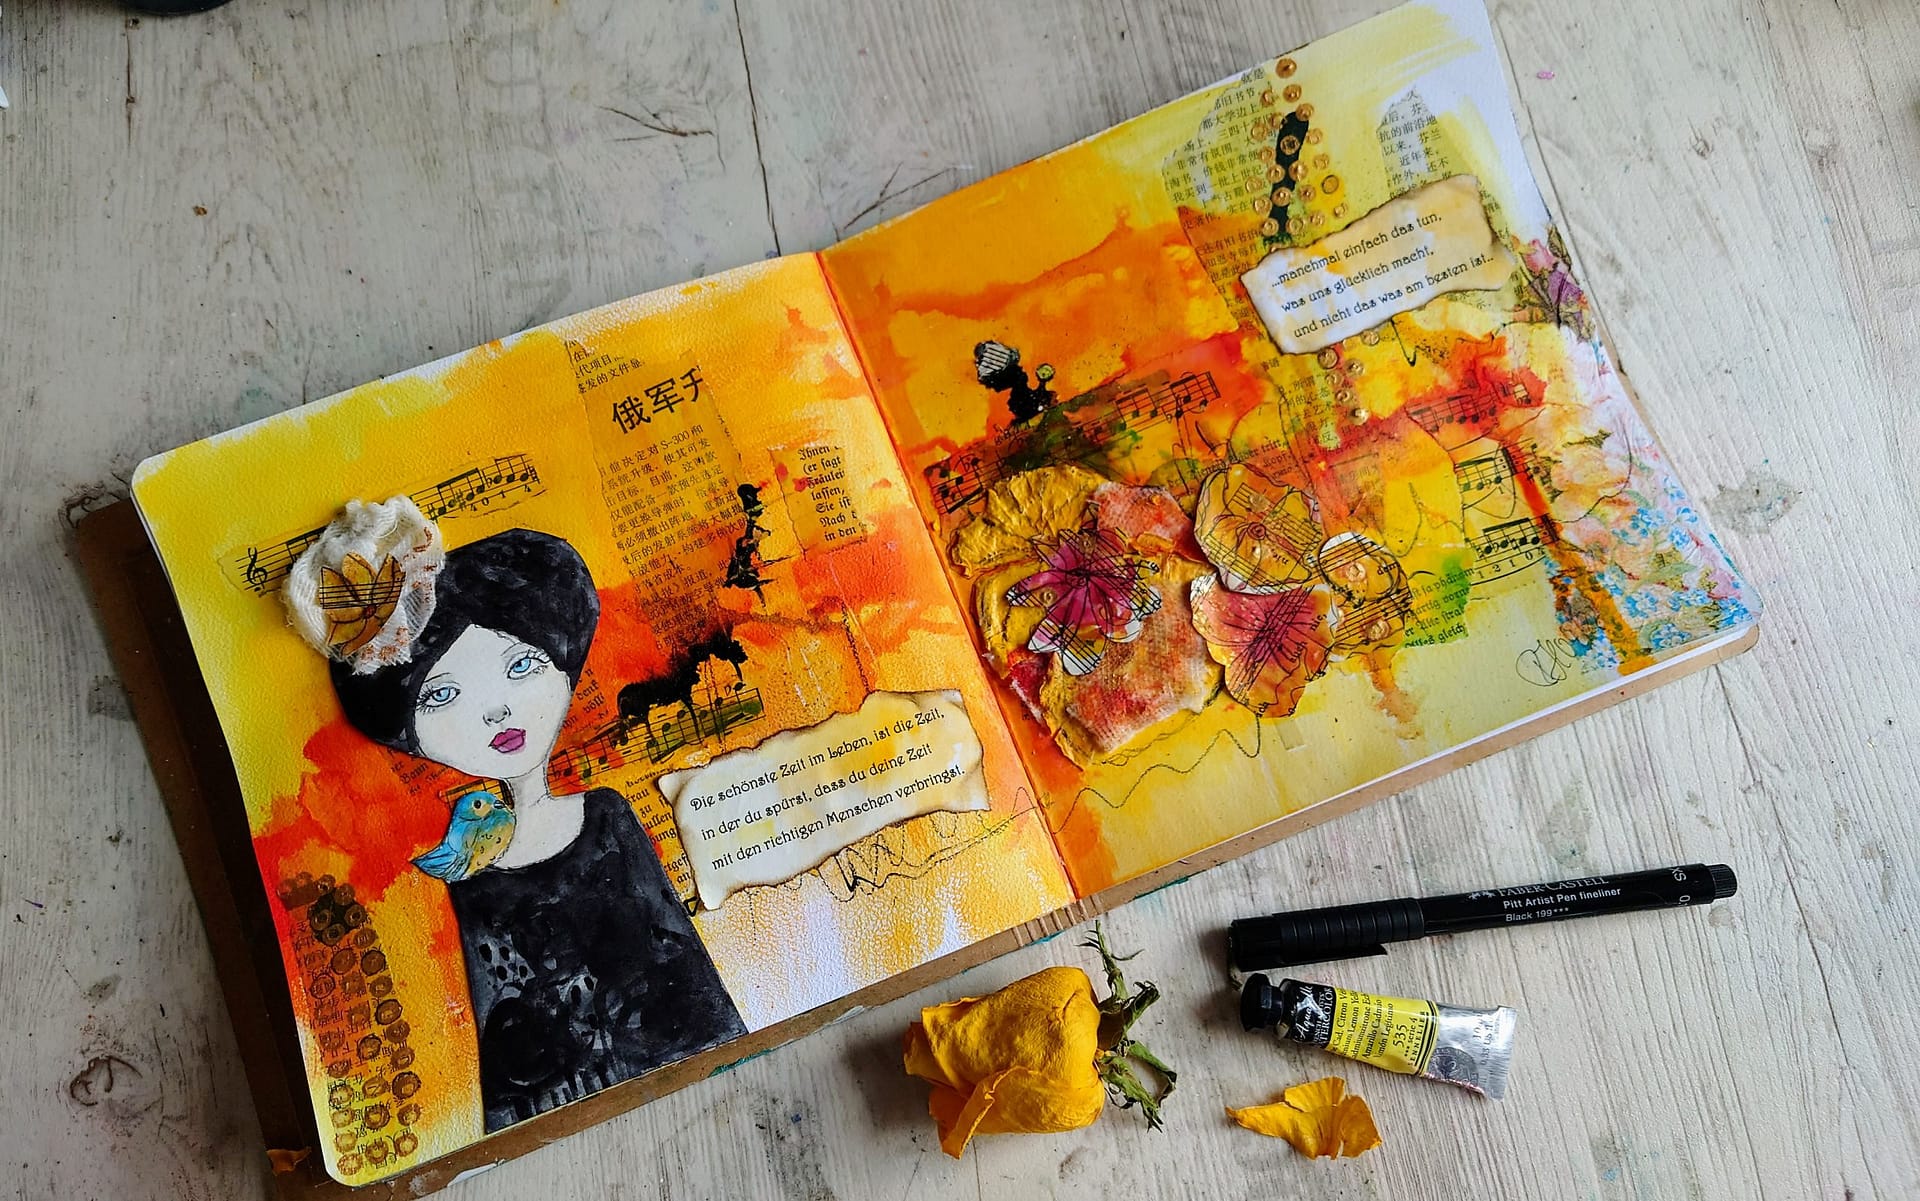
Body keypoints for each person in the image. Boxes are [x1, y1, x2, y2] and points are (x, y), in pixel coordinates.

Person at [330, 529, 746, 1132]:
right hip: (557, 1112)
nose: (495, 711)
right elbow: (497, 1051)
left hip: (690, 1074)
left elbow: (690, 974)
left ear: (563, 664)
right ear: (410, 732)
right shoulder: (467, 880)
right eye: (442, 695)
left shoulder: (607, 816)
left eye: (521, 666)